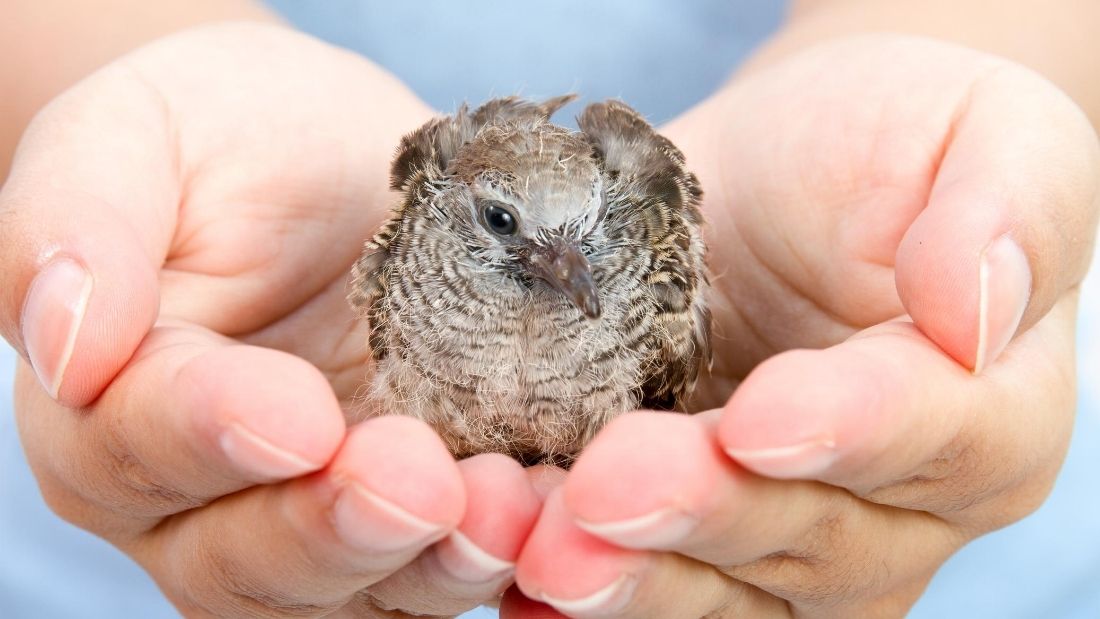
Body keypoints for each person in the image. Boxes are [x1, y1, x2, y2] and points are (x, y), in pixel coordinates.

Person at [1, 1, 1098, 617]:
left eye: (579, 241)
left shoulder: (632, 273)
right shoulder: (401, 256)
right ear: (451, 205)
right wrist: (123, 74)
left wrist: (961, 63)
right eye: (506, 233)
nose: (557, 267)